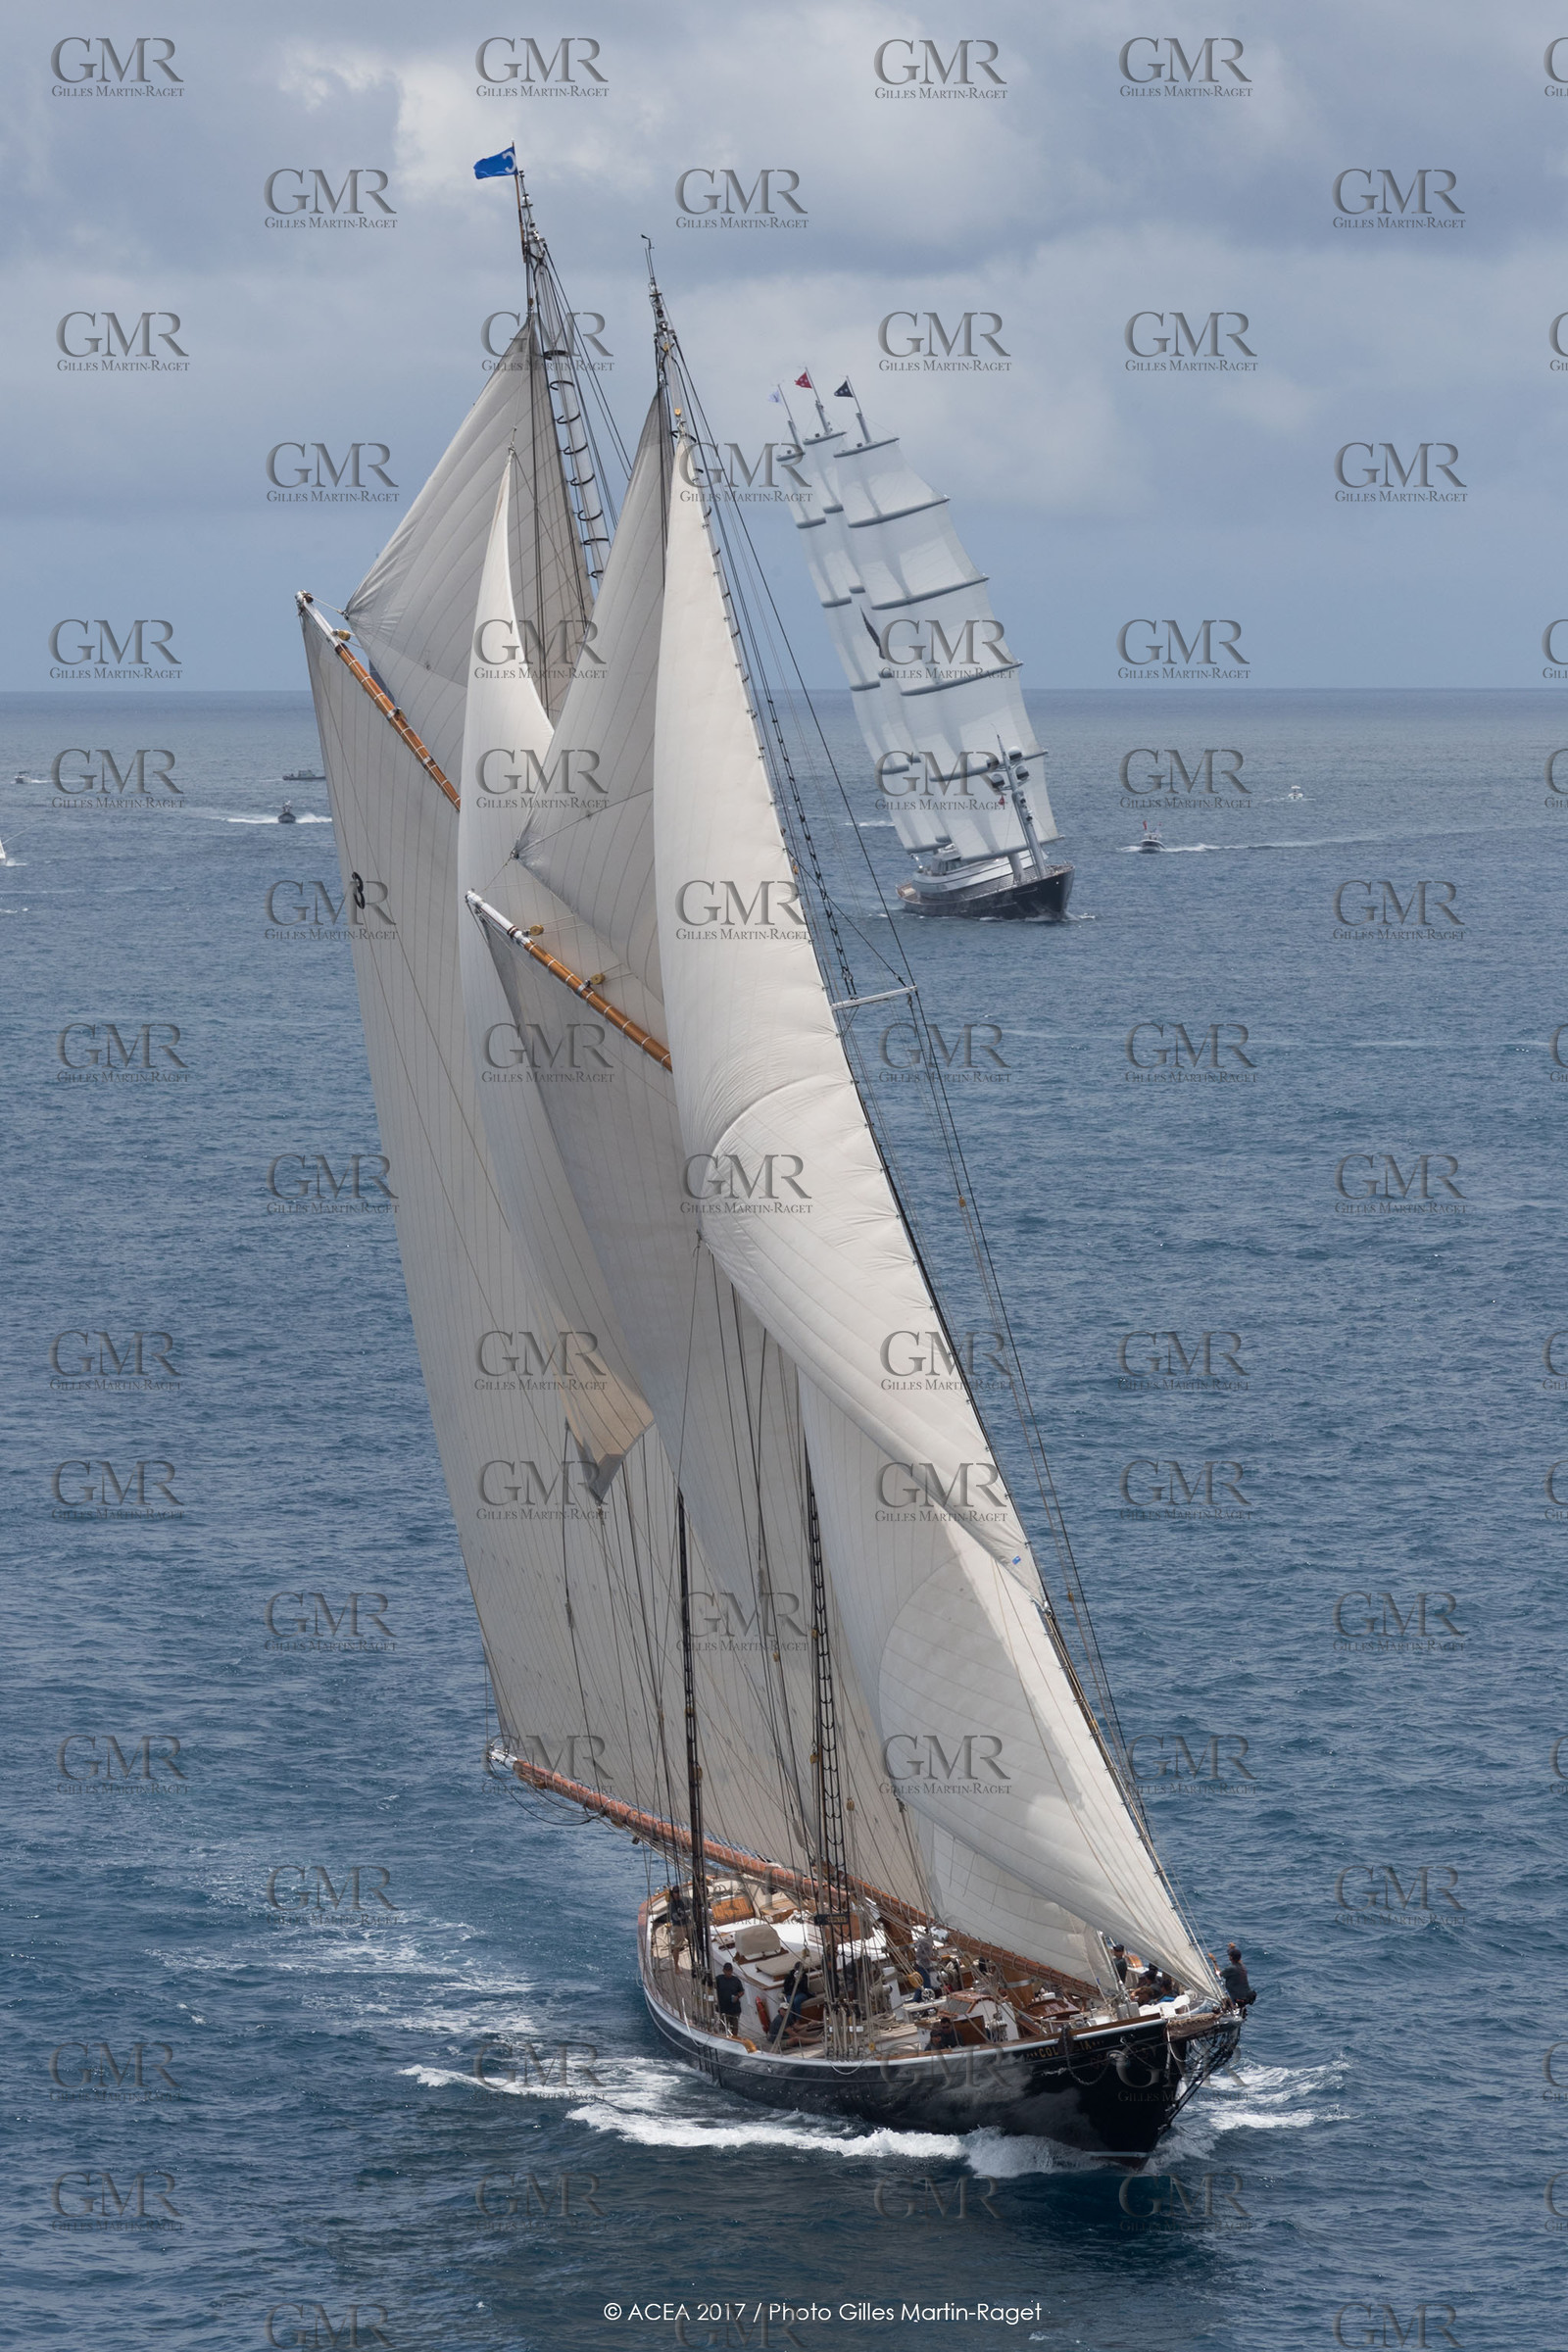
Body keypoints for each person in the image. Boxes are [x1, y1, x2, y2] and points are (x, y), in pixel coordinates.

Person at [1216, 1943, 1256, 2010]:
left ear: (1231, 1958)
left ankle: (1233, 2008)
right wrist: (1232, 1949)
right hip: (1247, 1996)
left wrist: (1214, 1961)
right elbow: (1237, 1957)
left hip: (1237, 1997)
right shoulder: (1242, 1966)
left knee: (1226, 2002)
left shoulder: (1231, 1968)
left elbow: (1219, 1974)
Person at [714, 1962, 744, 2036]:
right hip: (724, 2009)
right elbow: (712, 1985)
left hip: (735, 2009)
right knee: (723, 2027)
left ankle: (734, 2039)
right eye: (727, 1971)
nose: (728, 1972)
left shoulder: (736, 1980)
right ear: (723, 1971)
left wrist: (737, 1996)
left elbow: (742, 1991)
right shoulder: (719, 1979)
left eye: (730, 1971)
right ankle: (724, 2038)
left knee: (734, 2027)